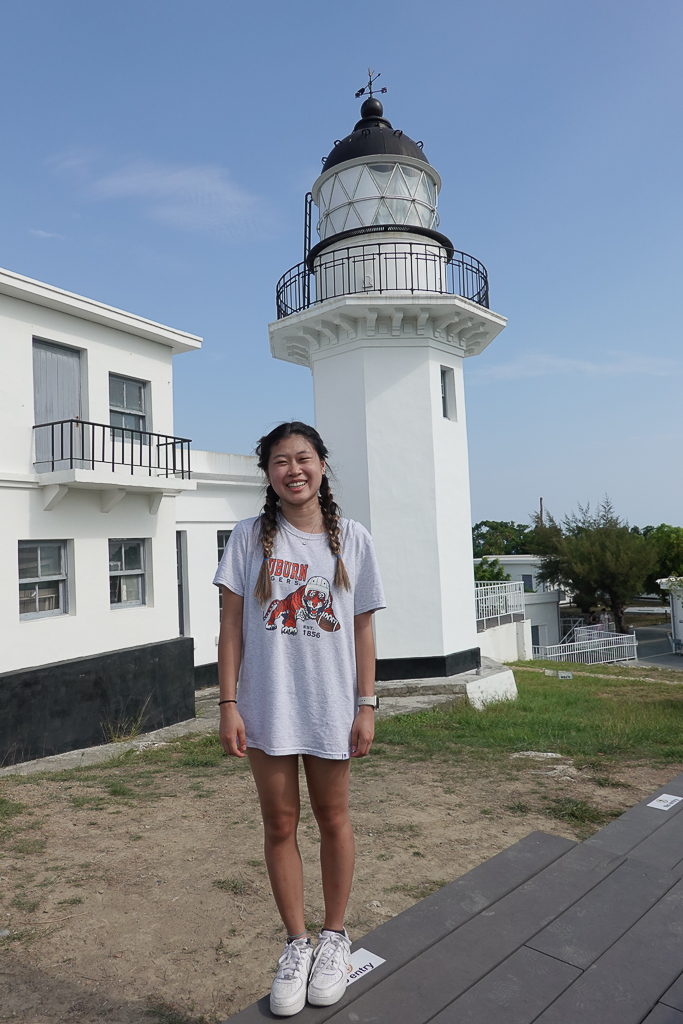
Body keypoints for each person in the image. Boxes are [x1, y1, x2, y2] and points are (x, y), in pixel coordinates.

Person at [213, 421, 385, 1017]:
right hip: (267, 705)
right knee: (279, 823)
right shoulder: (247, 537)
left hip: (331, 705)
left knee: (333, 818)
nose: (294, 470)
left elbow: (363, 630)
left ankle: (335, 938)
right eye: (281, 461)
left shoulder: (353, 539)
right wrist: (228, 703)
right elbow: (230, 626)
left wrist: (367, 704)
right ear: (268, 473)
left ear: (322, 465)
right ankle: (296, 944)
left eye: (304, 458)